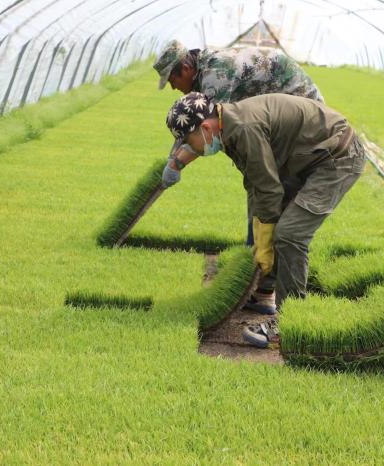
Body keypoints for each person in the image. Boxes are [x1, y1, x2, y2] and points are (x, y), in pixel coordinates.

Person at [165, 92, 366, 348]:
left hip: (337, 157)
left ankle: (291, 325)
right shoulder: (227, 127)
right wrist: (260, 235)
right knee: (272, 229)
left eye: (189, 141)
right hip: (308, 158)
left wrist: (265, 238)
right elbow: (256, 183)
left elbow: (270, 190)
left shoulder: (243, 129)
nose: (191, 148)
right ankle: (264, 291)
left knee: (290, 234)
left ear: (205, 127)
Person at [155, 40, 325, 315]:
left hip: (302, 125)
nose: (173, 87)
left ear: (186, 67)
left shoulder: (216, 75)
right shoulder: (204, 71)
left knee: (272, 202)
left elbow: (208, 131)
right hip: (274, 125)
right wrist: (174, 159)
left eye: (173, 79)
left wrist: (176, 162)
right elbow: (198, 128)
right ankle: (260, 282)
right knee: (260, 194)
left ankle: (269, 292)